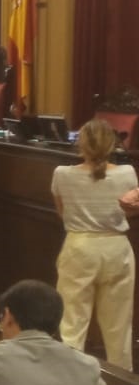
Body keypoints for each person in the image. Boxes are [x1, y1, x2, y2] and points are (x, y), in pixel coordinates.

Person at [53, 118, 138, 368]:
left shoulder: (62, 174)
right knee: (119, 326)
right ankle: (122, 383)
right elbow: (130, 211)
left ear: (81, 143)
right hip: (116, 247)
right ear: (112, 144)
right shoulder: (128, 173)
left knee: (72, 322)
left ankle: (70, 378)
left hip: (79, 246)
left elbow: (63, 213)